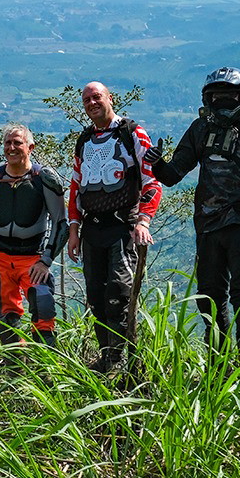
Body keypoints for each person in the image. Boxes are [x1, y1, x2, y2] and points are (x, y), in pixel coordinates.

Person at [144, 67, 240, 364]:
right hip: (209, 225)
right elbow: (174, 174)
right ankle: (217, 360)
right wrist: (157, 164)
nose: (224, 102)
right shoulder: (200, 129)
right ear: (208, 98)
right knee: (208, 296)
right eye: (218, 96)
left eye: (230, 96)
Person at [66, 82, 161, 377]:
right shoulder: (84, 140)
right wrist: (73, 229)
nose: (92, 102)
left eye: (97, 97)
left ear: (110, 99)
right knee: (95, 296)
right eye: (86, 99)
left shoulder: (131, 132)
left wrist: (143, 220)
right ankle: (107, 358)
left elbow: (152, 180)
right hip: (92, 229)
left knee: (119, 293)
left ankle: (125, 360)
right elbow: (76, 187)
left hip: (123, 226)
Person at [0, 123, 69, 351]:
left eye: (18, 142)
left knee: (44, 311)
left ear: (30, 147)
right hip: (0, 258)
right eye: (7, 143)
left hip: (33, 258)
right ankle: (14, 368)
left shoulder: (44, 178)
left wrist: (46, 261)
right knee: (6, 317)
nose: (12, 147)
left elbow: (60, 224)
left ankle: (46, 369)